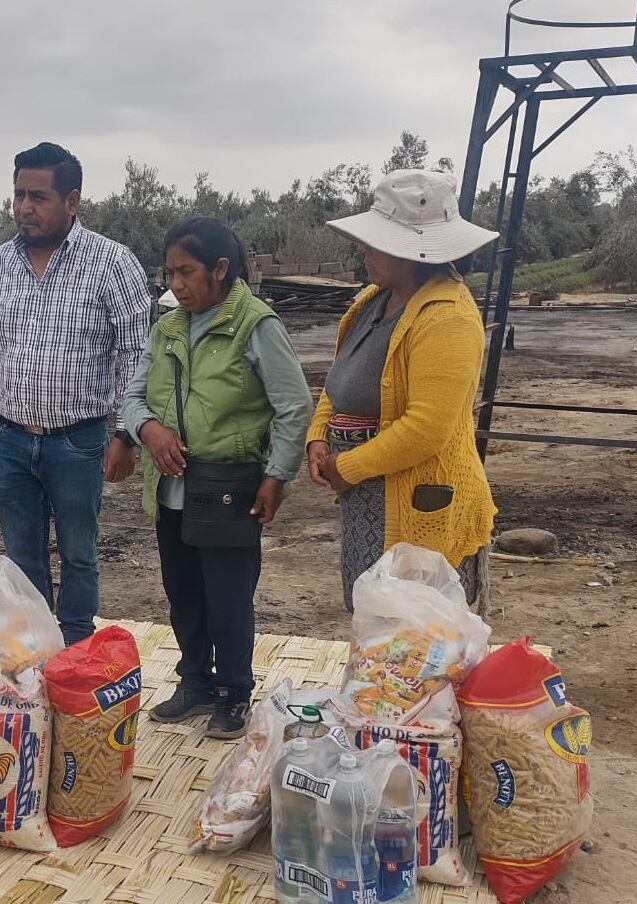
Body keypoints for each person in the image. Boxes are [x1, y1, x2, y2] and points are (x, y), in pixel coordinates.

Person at [121, 218, 313, 738]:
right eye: (170, 273)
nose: (176, 284)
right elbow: (133, 396)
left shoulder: (256, 326)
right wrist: (150, 430)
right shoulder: (166, 328)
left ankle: (232, 691)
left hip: (228, 488)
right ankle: (194, 683)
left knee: (228, 597)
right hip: (172, 488)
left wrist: (277, 476)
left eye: (186, 272)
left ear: (220, 270)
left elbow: (294, 406)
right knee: (182, 591)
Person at [0, 142, 151, 645]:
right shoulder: (0, 264)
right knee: (21, 557)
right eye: (19, 194)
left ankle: (78, 648)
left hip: (78, 442)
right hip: (12, 440)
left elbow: (137, 360)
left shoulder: (111, 263)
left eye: (38, 196)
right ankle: (36, 648)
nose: (24, 207)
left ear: (72, 201)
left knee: (80, 554)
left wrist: (126, 435)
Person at [306, 169, 499, 612]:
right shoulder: (372, 301)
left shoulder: (446, 317)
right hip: (366, 501)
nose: (364, 250)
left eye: (375, 242)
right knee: (376, 633)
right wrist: (319, 436)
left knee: (417, 640)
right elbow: (340, 380)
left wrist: (348, 466)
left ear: (412, 250)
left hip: (419, 509)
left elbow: (426, 429)